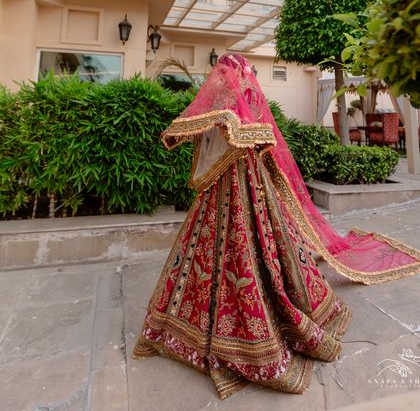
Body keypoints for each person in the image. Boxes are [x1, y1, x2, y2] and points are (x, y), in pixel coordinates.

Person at [133, 54, 420, 399]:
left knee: (253, 252)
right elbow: (195, 132)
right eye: (224, 72)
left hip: (245, 187)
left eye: (226, 72)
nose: (223, 77)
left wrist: (223, 128)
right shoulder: (227, 103)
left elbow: (254, 137)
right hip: (226, 188)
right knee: (220, 253)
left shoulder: (237, 103)